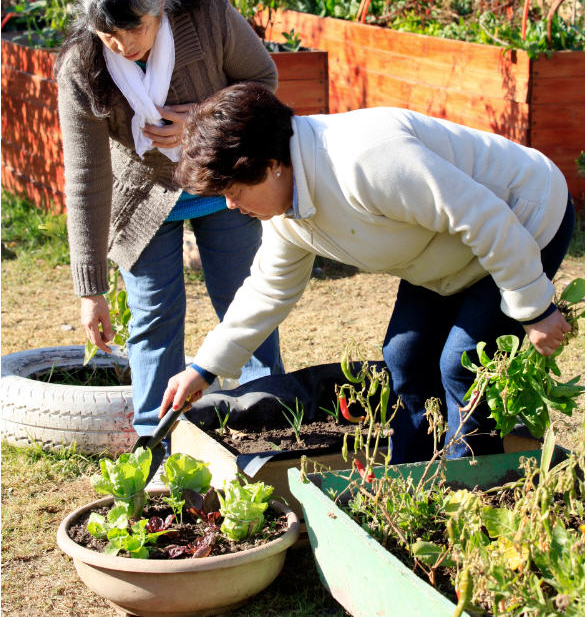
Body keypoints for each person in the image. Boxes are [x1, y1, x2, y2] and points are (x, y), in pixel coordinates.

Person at [159, 82, 575, 462]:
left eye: (233, 192)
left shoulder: (365, 159)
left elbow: (486, 219)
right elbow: (269, 290)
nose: (231, 206)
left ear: (271, 165)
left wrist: (534, 308)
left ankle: (471, 492)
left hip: (525, 218)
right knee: (405, 359)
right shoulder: (287, 209)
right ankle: (410, 477)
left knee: (462, 366)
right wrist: (204, 368)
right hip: (447, 254)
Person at [55, 0, 284, 437]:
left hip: (224, 183)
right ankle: (155, 443)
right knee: (154, 317)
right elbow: (85, 175)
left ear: (160, 4)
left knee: (246, 303)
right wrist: (90, 288)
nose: (121, 44)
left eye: (132, 29)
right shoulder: (82, 66)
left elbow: (263, 81)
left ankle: (272, 425)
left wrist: (202, 118)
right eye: (107, 35)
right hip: (142, 201)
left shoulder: (209, 17)